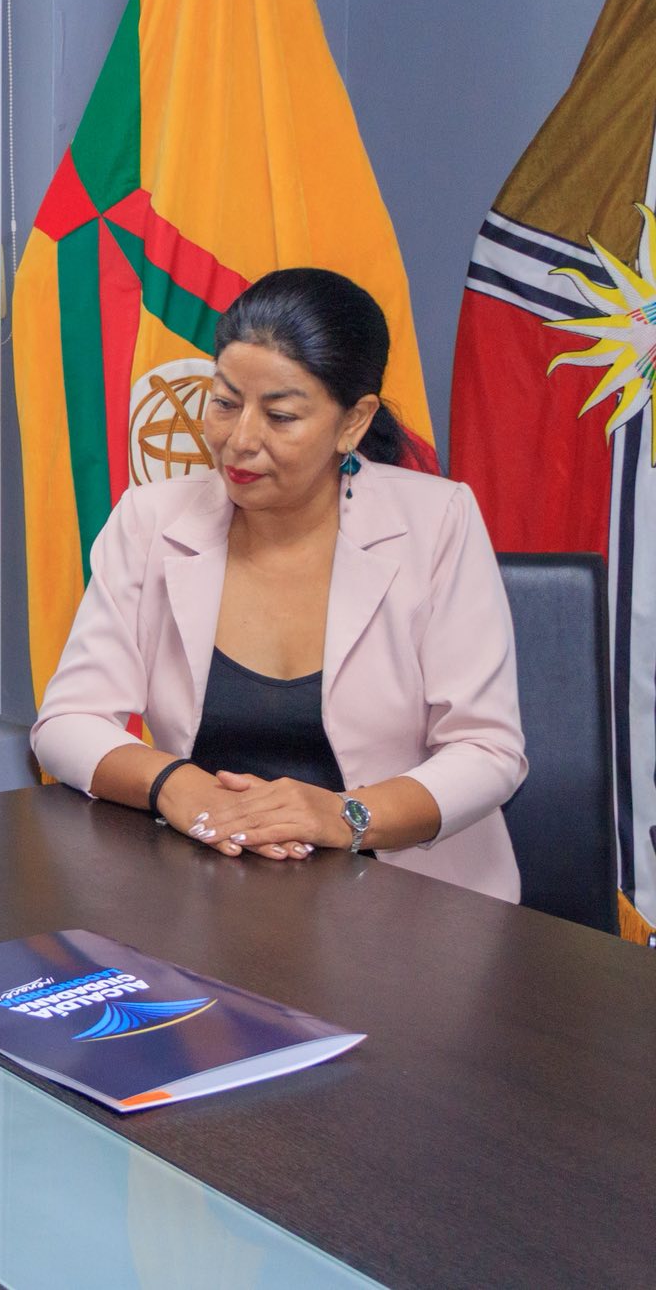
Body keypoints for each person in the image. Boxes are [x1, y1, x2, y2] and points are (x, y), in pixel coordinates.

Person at [31, 268, 527, 899]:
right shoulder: (151, 521)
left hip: (409, 900)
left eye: (281, 415)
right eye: (224, 402)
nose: (239, 441)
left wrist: (343, 815)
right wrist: (177, 786)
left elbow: (487, 749)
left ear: (353, 422)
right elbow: (67, 721)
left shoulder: (437, 522)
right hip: (207, 889)